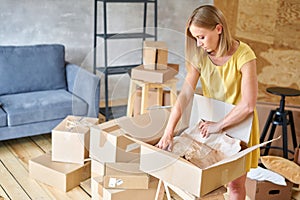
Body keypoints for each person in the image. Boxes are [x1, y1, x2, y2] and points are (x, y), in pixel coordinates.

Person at [156, 5, 260, 200]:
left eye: (201, 37)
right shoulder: (200, 56)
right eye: (195, 38)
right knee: (208, 182)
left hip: (239, 125)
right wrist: (168, 132)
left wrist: (218, 126)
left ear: (218, 29)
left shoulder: (244, 55)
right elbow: (185, 96)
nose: (198, 43)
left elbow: (248, 104)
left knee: (235, 185)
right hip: (210, 124)